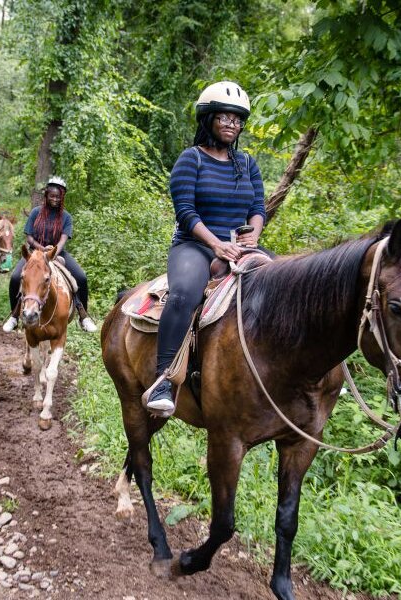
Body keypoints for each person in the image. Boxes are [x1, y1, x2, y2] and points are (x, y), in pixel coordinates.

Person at [145, 81, 268, 414]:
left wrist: (252, 236)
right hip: (195, 246)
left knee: (286, 284)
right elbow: (185, 211)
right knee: (184, 293)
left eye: (237, 119)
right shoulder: (191, 160)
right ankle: (164, 378)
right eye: (224, 117)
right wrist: (217, 245)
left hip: (241, 247)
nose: (232, 124)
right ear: (209, 118)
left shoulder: (248, 164)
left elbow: (258, 206)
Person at [2, 176, 97, 333]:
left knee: (81, 278)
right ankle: (14, 316)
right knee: (14, 278)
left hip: (57, 253)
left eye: (58, 196)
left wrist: (51, 253)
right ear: (46, 195)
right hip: (34, 254)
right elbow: (29, 238)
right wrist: (42, 249)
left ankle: (83, 315)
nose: (55, 199)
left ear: (62, 197)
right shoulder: (35, 213)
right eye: (52, 196)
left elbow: (63, 240)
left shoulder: (66, 217)